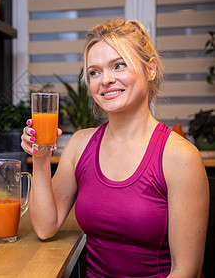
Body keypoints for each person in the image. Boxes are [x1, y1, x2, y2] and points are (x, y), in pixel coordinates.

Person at [21, 19, 209, 277]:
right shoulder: (80, 144)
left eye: (118, 65)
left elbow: (185, 270)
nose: (105, 80)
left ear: (150, 69)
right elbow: (45, 227)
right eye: (94, 72)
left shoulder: (179, 156)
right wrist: (40, 158)